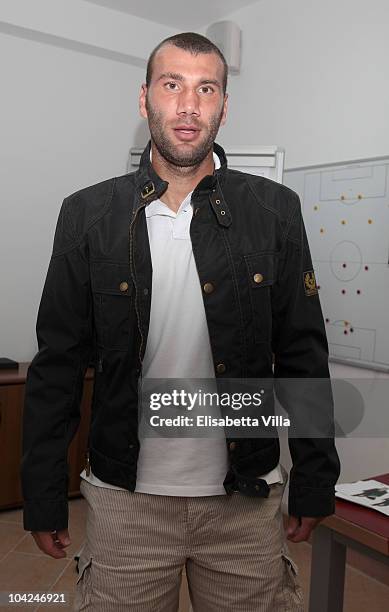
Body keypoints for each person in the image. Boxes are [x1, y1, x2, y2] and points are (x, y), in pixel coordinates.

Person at [21, 32, 341, 611]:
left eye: (206, 88)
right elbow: (58, 365)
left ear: (223, 105)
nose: (188, 105)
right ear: (144, 100)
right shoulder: (87, 214)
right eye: (172, 86)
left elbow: (303, 353)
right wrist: (42, 492)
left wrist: (316, 476)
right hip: (125, 500)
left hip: (245, 499)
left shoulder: (274, 211)